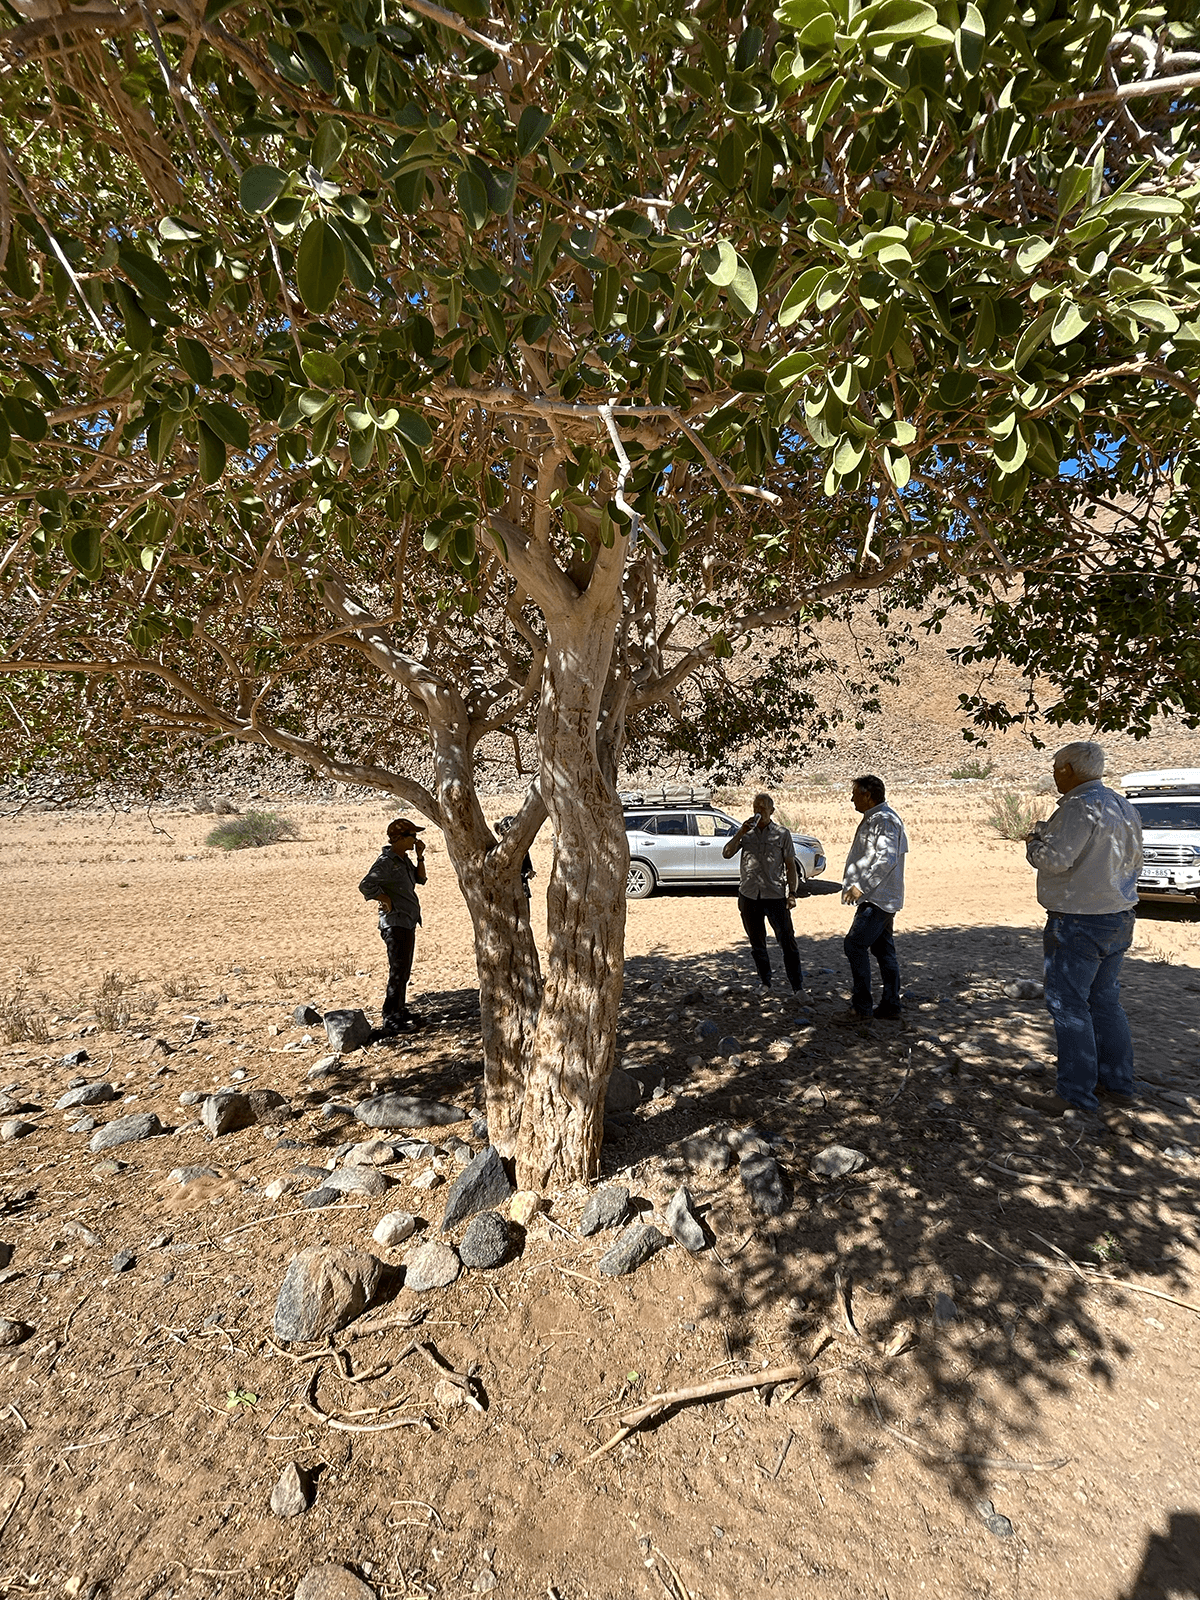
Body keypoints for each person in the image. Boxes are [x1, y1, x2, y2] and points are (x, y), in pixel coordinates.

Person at [1023, 741, 1143, 1116]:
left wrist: (1034, 843)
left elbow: (1055, 860)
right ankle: (1118, 1083)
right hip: (1118, 914)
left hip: (1078, 919)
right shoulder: (1122, 805)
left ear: (1069, 770)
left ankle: (1075, 1093)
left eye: (1058, 767)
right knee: (1105, 1001)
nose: (1056, 773)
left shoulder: (1079, 807)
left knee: (1068, 1004)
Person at [840, 775, 908, 1021]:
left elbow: (886, 859)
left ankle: (862, 1007)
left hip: (877, 898)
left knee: (855, 945)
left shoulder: (885, 820)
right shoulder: (878, 818)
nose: (852, 798)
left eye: (856, 793)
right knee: (883, 950)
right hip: (880, 897)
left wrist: (861, 887)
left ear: (868, 795)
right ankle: (891, 1005)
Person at [722, 791, 804, 993]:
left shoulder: (781, 834)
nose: (758, 811)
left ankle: (797, 987)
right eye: (755, 807)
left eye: (762, 808)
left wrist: (792, 893)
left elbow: (790, 866)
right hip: (749, 895)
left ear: (771, 810)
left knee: (787, 941)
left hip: (775, 895)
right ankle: (765, 982)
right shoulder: (746, 832)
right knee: (757, 943)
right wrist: (740, 832)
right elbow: (726, 853)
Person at [358, 816, 427, 1034]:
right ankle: (390, 1017)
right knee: (397, 970)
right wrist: (384, 899)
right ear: (398, 838)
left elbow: (421, 880)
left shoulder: (403, 859)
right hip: (394, 923)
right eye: (411, 836)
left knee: (404, 969)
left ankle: (400, 1009)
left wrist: (420, 857)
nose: (415, 839)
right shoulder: (386, 862)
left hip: (407, 920)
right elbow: (366, 885)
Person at [496, 815, 535, 900]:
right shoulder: (499, 851)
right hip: (505, 894)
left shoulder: (523, 850)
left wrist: (528, 873)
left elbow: (528, 867)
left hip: (521, 892)